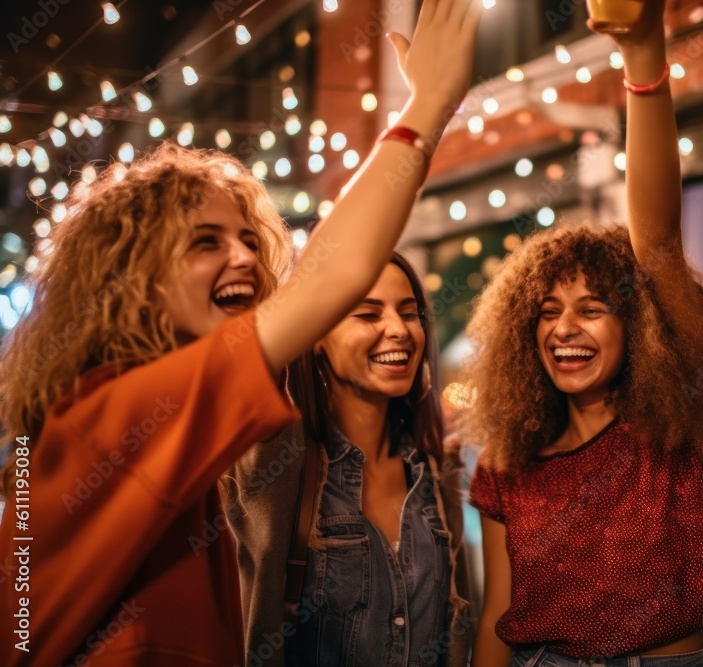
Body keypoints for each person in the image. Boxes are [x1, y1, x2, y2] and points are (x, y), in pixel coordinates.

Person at [0, 1, 482, 664]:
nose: (248, 260)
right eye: (206, 241)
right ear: (128, 276)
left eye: (250, 239)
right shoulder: (118, 416)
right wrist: (426, 108)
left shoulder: (138, 430)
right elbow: (329, 278)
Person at [465, 2, 703, 665]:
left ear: (636, 322)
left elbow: (659, 240)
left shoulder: (674, 420)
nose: (563, 328)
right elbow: (498, 616)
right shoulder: (508, 459)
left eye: (590, 307)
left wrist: (642, 57)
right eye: (547, 311)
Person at [224, 253, 472, 667]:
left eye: (409, 313)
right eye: (368, 314)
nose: (399, 330)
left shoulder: (433, 471)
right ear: (315, 332)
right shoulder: (280, 463)